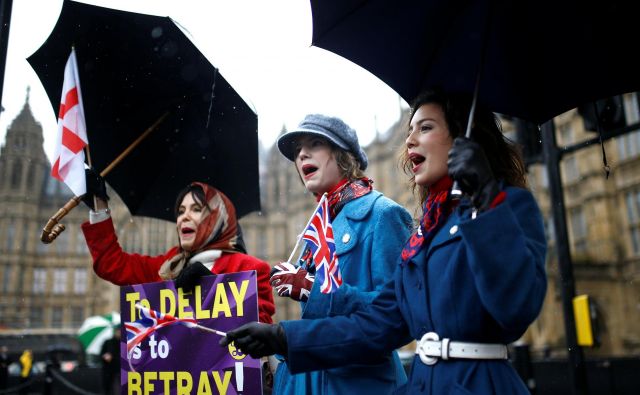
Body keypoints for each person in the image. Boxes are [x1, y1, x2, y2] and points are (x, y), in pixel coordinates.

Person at [220, 88, 548, 395]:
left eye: (425, 128)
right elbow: (378, 323)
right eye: (409, 131)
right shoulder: (426, 231)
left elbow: (515, 308)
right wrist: (282, 337)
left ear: (463, 140)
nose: (410, 140)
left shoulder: (505, 206)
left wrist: (485, 199)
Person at [269, 114, 413, 394]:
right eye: (297, 151)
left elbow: (398, 318)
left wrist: (312, 290)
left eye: (315, 143)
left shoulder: (383, 214)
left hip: (358, 384)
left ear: (342, 155)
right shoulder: (319, 224)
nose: (302, 154)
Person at [81, 180, 275, 324]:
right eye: (181, 211)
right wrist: (99, 206)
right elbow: (111, 264)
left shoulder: (250, 269)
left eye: (196, 209)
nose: (184, 217)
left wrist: (212, 289)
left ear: (217, 218)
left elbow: (258, 332)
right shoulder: (167, 266)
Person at [100, 326, 121, 395]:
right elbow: (102, 354)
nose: (119, 333)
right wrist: (105, 357)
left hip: (120, 370)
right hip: (109, 370)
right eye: (118, 331)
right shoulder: (108, 342)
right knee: (109, 388)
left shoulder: (124, 343)